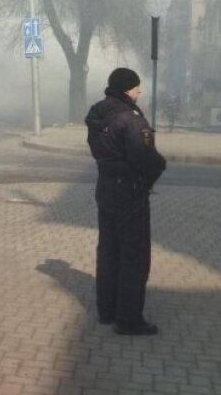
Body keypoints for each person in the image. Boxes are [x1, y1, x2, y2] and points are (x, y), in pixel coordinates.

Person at [85, 67, 167, 336]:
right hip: (130, 192)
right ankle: (129, 319)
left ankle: (107, 311)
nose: (139, 91)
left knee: (108, 251)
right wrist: (157, 168)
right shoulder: (130, 119)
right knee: (133, 254)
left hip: (106, 188)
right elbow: (146, 159)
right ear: (126, 89)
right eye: (136, 87)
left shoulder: (98, 113)